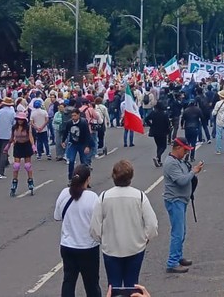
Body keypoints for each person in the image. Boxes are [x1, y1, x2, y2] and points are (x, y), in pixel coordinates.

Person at [90, 159, 159, 288]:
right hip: (135, 247)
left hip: (111, 249)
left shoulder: (104, 197)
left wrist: (103, 240)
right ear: (131, 177)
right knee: (132, 285)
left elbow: (95, 227)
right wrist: (145, 238)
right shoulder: (140, 196)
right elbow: (152, 224)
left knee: (114, 286)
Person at [57, 165, 102, 297]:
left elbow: (57, 216)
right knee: (92, 284)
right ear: (88, 179)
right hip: (88, 247)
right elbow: (99, 221)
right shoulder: (92, 197)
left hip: (67, 245)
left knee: (68, 282)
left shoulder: (64, 193)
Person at [161, 137, 203, 273]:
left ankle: (178, 256)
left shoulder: (178, 161)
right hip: (175, 200)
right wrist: (194, 171)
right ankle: (172, 262)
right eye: (185, 150)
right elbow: (181, 180)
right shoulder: (171, 164)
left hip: (181, 200)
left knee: (182, 231)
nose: (186, 153)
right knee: (177, 233)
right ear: (177, 148)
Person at [63, 107, 96, 177]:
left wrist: (87, 146)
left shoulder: (83, 123)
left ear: (78, 115)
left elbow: (87, 135)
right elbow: (66, 132)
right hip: (73, 144)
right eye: (72, 116)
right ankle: (70, 178)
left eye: (75, 115)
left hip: (82, 144)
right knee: (71, 160)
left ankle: (85, 179)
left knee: (84, 162)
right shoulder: (69, 123)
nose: (73, 117)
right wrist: (63, 141)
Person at [10, 112, 36, 197]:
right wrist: (7, 146)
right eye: (18, 119)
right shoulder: (14, 127)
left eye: (21, 119)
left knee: (27, 166)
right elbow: (11, 138)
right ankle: (14, 183)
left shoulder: (27, 127)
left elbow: (30, 136)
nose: (20, 121)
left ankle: (30, 181)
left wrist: (33, 146)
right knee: (16, 166)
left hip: (26, 145)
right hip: (18, 146)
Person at [0, 96, 16, 178]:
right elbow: (14, 125)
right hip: (7, 135)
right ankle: (1, 172)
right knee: (4, 153)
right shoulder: (12, 113)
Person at [145, 102, 170, 168]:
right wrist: (168, 130)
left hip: (155, 131)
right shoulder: (164, 114)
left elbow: (146, 119)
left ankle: (159, 160)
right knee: (163, 146)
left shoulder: (153, 113)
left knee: (158, 146)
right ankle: (157, 157)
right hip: (162, 132)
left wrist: (151, 125)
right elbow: (167, 123)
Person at [211, 89, 224, 155]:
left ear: (220, 96)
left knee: (218, 135)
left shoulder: (218, 103)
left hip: (219, 120)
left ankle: (218, 150)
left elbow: (214, 112)